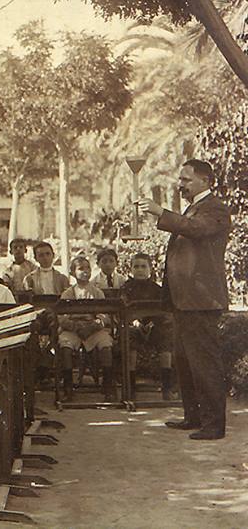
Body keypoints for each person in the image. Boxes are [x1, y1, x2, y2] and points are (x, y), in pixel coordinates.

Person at [139, 159, 231, 440]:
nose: (180, 184)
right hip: (185, 301)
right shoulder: (193, 208)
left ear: (206, 181)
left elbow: (196, 229)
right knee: (185, 361)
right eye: (180, 179)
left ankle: (214, 425)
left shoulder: (215, 208)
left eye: (186, 180)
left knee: (204, 363)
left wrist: (160, 212)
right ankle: (194, 417)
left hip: (201, 301)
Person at [58, 256, 115, 401]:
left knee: (106, 345)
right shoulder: (68, 293)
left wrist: (95, 325)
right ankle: (68, 388)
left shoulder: (97, 292)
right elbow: (61, 317)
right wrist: (75, 326)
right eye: (80, 268)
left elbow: (104, 315)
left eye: (87, 268)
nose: (85, 271)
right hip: (74, 329)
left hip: (93, 329)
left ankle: (108, 386)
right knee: (65, 346)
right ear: (72, 273)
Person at [122, 253, 174, 399]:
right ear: (131, 269)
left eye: (143, 266)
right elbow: (123, 310)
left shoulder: (157, 289)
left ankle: (166, 388)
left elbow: (163, 311)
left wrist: (154, 322)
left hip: (154, 326)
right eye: (136, 266)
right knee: (130, 341)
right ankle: (131, 389)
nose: (140, 270)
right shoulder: (126, 288)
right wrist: (134, 321)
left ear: (150, 269)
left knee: (165, 341)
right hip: (134, 326)